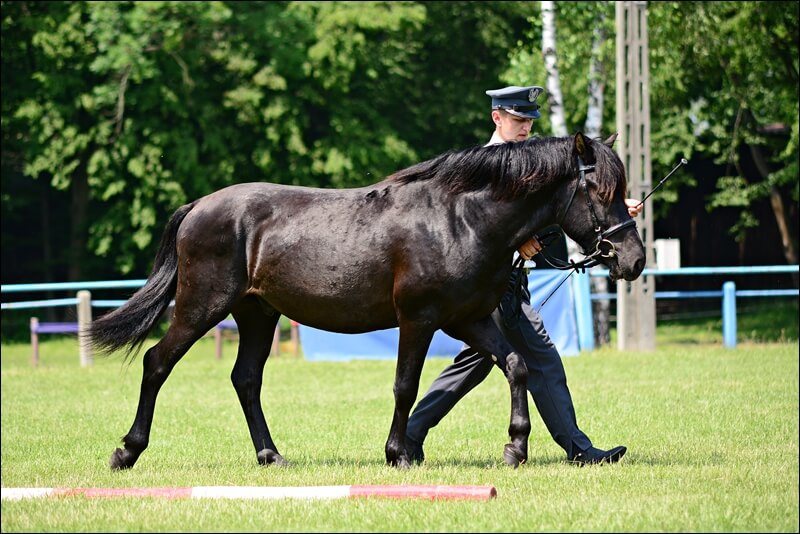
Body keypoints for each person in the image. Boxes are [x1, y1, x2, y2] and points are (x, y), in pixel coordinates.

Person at [405, 85, 643, 466]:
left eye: (530, 120)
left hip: (507, 283)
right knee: (542, 359)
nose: (526, 128)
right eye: (518, 119)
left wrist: (610, 209)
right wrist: (518, 244)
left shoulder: (528, 163)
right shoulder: (485, 165)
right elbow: (475, 232)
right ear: (497, 117)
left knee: (474, 363)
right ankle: (578, 449)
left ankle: (411, 434)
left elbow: (557, 206)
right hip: (492, 287)